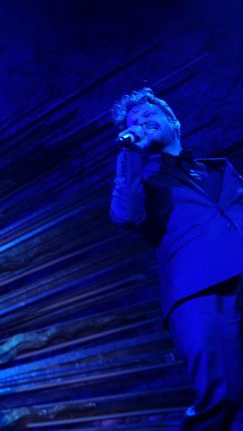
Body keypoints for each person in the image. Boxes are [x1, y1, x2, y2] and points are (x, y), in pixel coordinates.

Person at [109, 88, 243, 430]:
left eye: (148, 115)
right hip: (201, 292)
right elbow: (125, 215)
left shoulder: (221, 170)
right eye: (133, 121)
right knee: (223, 398)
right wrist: (132, 155)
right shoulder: (144, 181)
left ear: (174, 122)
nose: (141, 122)